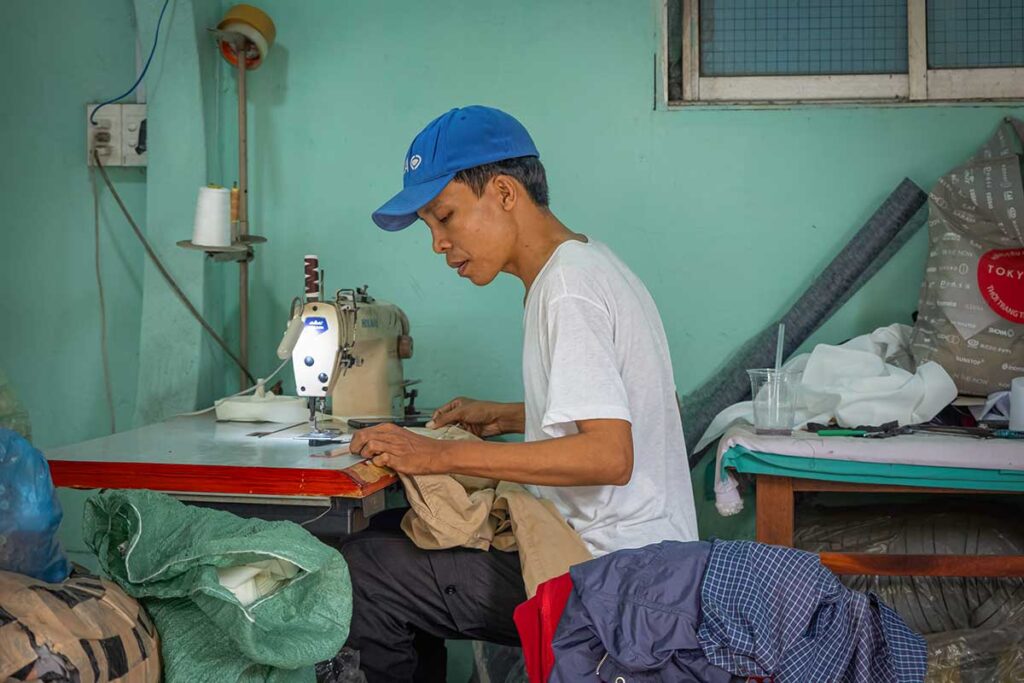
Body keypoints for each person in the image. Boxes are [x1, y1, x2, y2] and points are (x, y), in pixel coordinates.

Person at [341, 105, 698, 682]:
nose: (437, 244)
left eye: (446, 217)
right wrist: (508, 414)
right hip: (648, 559)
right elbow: (631, 406)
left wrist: (439, 453)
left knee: (364, 571)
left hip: (616, 578)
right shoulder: (587, 264)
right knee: (390, 533)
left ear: (504, 193)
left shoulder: (567, 290)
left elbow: (609, 455)